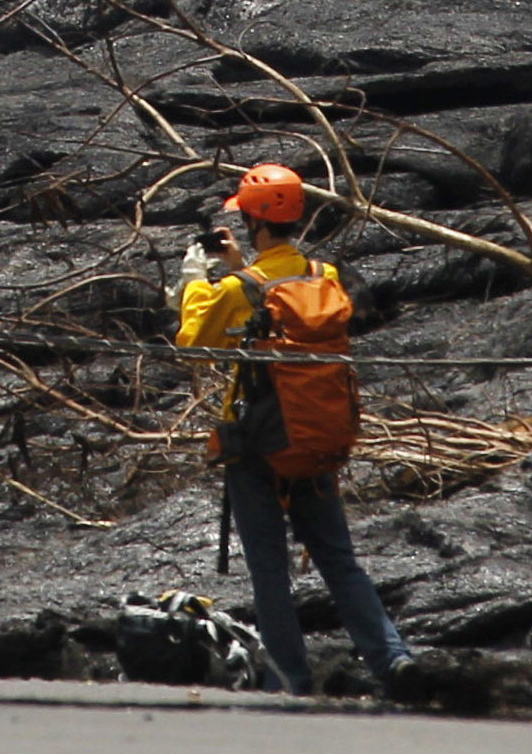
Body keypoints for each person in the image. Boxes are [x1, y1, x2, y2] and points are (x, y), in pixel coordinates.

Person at [173, 161, 412, 699]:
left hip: (260, 444)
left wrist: (195, 280)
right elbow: (279, 292)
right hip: (320, 437)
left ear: (255, 222)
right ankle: (393, 660)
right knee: (339, 561)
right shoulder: (325, 277)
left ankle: (288, 677)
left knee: (270, 570)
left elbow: (194, 343)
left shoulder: (239, 289)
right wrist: (242, 267)